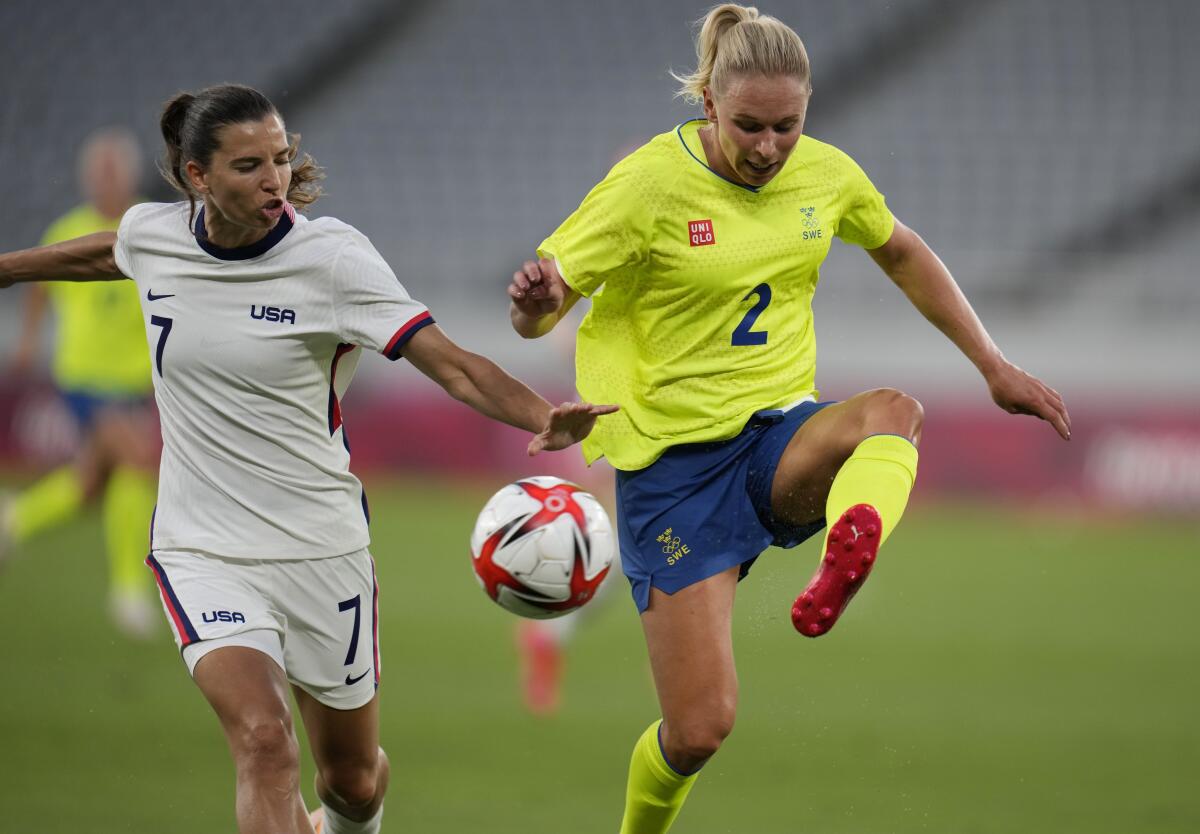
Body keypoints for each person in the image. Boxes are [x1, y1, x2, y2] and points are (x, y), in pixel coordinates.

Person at [507, 5, 1072, 833]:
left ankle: (850, 549)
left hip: (775, 440)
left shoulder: (825, 173)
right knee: (700, 730)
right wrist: (537, 303)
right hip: (673, 475)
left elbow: (901, 248)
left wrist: (993, 365)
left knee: (894, 413)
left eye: (787, 126)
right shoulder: (646, 186)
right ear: (706, 102)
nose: (770, 147)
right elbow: (542, 304)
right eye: (748, 127)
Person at [0, 83, 615, 834]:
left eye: (282, 160)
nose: (274, 180)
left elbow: (451, 363)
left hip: (323, 551)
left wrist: (544, 416)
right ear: (198, 177)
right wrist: (11, 266)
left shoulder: (333, 260)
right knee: (264, 744)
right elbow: (109, 251)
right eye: (249, 165)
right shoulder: (156, 236)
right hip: (203, 548)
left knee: (351, 781)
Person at [1, 127, 160, 638]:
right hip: (84, 376)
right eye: (99, 172)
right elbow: (40, 290)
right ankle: (128, 592)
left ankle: (15, 519)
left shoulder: (148, 228)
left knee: (94, 483)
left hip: (134, 378)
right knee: (136, 458)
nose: (105, 181)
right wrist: (28, 340)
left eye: (114, 172)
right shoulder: (67, 229)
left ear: (129, 176)